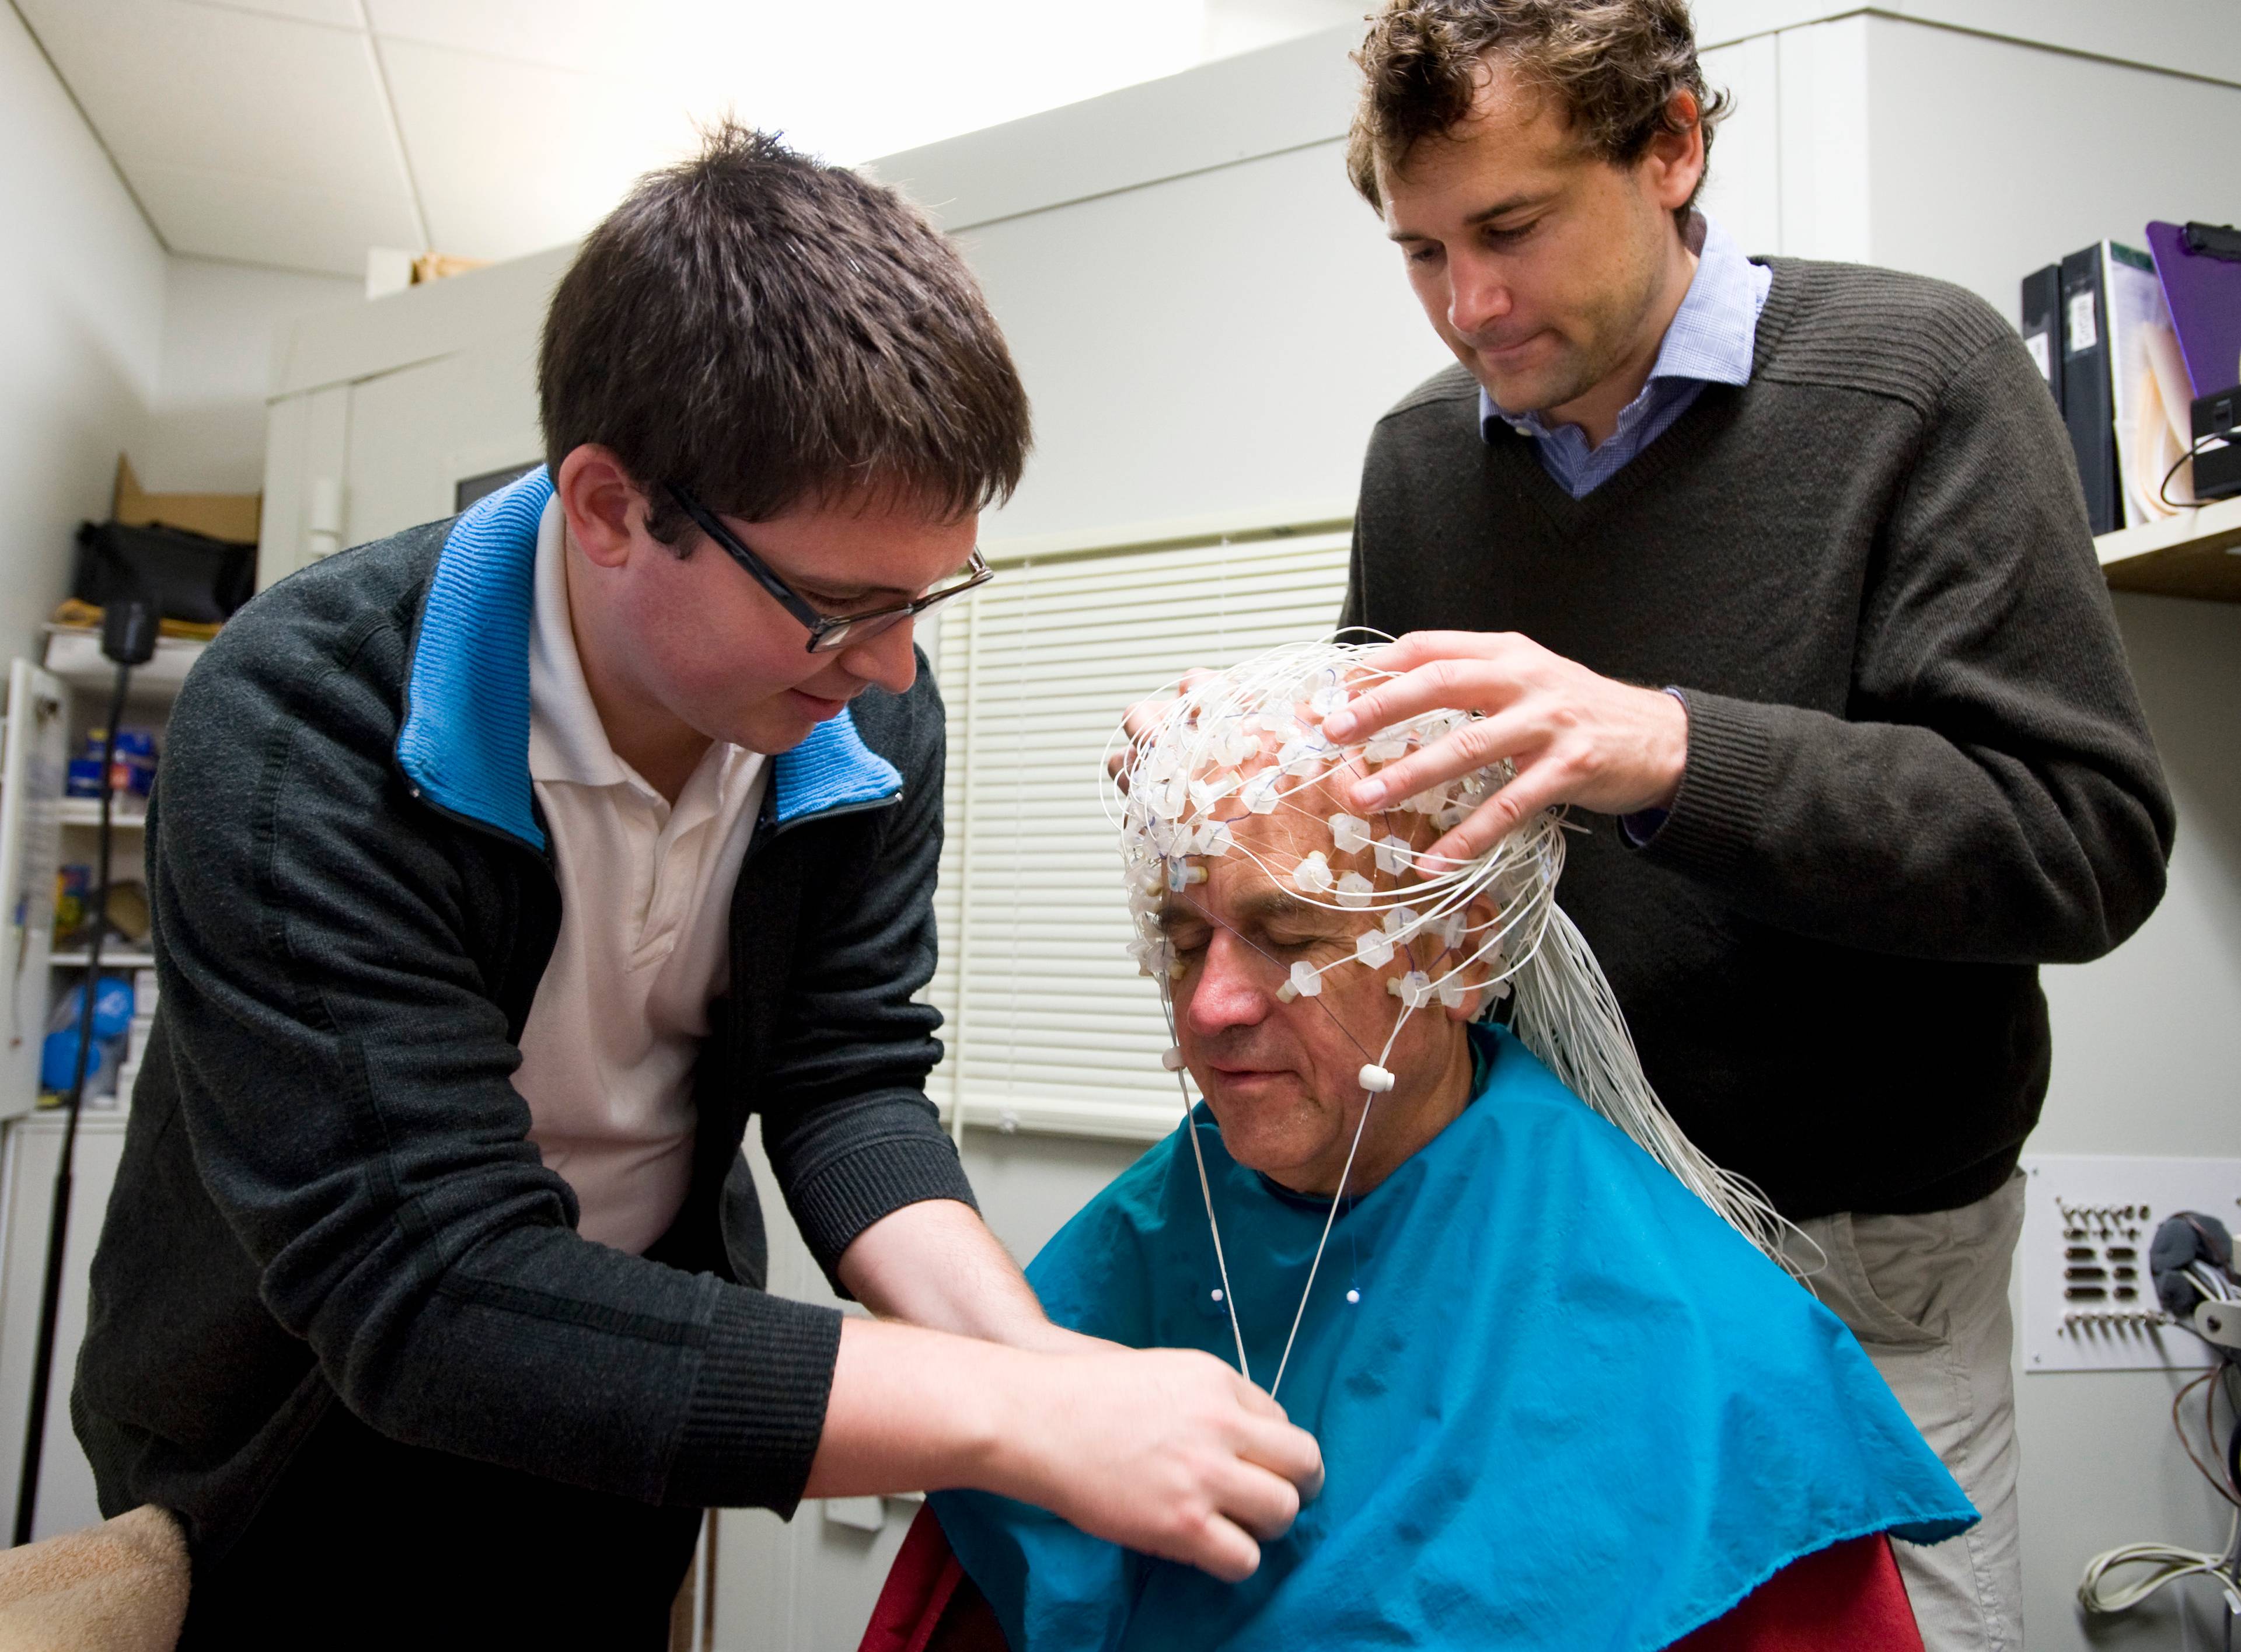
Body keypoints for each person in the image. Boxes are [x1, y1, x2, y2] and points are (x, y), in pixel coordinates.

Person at [70, 125, 1321, 1647]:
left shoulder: (857, 707)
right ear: (609, 510)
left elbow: (843, 1080)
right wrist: (1007, 1413)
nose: (894, 664)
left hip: (629, 1426)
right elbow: (431, 1289)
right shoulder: (305, 719)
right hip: (288, 1450)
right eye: (838, 605)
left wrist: (1061, 1382)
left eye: (928, 594)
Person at [1294, 4, 2176, 1646]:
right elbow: (1403, 864)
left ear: (1673, 146)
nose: (1467, 307)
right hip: (1540, 1250)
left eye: (1509, 230)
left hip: (1864, 1275)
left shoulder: (1922, 384)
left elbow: (2084, 837)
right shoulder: (1418, 462)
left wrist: (1672, 753)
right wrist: (1244, 794)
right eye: (1419, 251)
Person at [911, 652, 1975, 1651]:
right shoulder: (1135, 1253)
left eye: (1291, 938)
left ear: (1463, 955)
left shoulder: (1698, 1340)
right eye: (1184, 943)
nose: (1214, 1004)